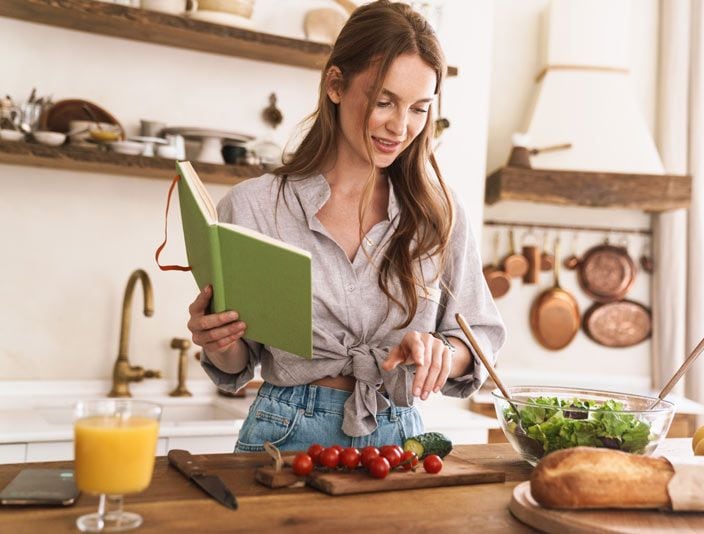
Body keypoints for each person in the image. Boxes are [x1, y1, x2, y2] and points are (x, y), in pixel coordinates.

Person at [187, 0, 506, 452]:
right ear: (336, 84)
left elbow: (481, 337)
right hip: (284, 435)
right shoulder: (253, 206)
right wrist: (218, 340)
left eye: (419, 108)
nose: (400, 126)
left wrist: (443, 354)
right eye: (384, 101)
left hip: (400, 440)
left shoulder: (440, 214)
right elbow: (239, 361)